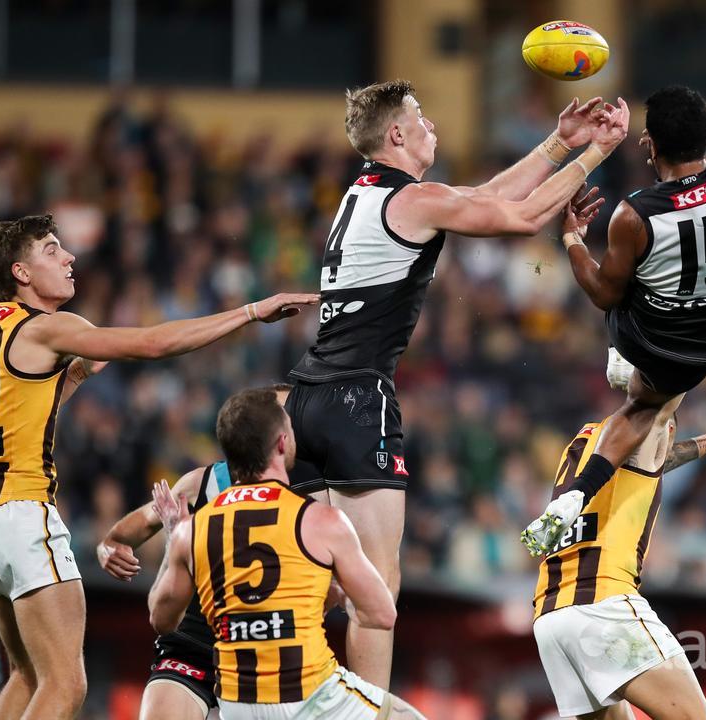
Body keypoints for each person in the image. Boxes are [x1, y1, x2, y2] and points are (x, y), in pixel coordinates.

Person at [285, 79, 629, 687]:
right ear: (396, 134)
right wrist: (599, 150)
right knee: (375, 592)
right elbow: (521, 217)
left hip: (307, 398)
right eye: (420, 117)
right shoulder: (413, 201)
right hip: (357, 398)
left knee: (320, 584)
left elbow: (487, 196)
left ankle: (265, 694)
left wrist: (559, 142)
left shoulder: (368, 193)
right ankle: (363, 710)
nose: (432, 126)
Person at [0, 214, 317, 719]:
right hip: (22, 513)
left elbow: (25, 409)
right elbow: (153, 345)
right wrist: (252, 311)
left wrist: (76, 372)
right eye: (53, 250)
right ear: (21, 272)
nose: (69, 257)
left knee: (27, 676)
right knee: (65, 687)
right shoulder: (49, 328)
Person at [522, 84, 706, 554]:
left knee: (639, 392)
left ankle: (618, 380)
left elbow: (603, 295)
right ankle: (571, 503)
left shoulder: (634, 214)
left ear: (650, 145)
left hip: (652, 347)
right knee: (648, 408)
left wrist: (572, 239)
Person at [149, 388, 427, 719]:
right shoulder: (319, 520)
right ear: (282, 444)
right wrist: (336, 596)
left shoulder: (192, 529)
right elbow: (381, 614)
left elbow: (162, 619)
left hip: (237, 705)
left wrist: (173, 540)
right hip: (311, 695)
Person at [532, 399, 706, 719]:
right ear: (667, 429)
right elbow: (659, 398)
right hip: (603, 604)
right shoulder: (647, 421)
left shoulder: (589, 442)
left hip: (552, 617)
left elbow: (656, 459)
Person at [97, 386, 291, 720]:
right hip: (192, 647)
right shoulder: (201, 484)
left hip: (264, 658)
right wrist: (107, 550)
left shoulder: (310, 498)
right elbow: (118, 537)